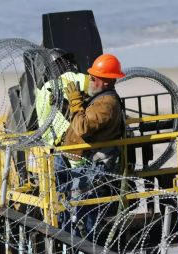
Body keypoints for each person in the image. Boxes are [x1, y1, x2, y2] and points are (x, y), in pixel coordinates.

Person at [54, 53, 126, 238]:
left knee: (85, 209)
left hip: (93, 165)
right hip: (84, 161)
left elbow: (82, 128)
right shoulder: (100, 99)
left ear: (107, 82)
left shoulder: (107, 104)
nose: (90, 81)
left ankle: (86, 247)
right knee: (75, 205)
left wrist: (76, 102)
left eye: (94, 78)